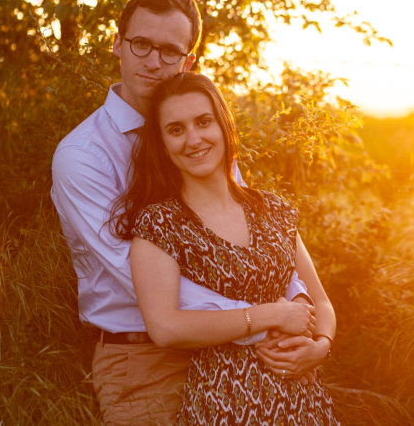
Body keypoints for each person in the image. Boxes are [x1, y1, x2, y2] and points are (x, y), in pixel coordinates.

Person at [51, 0, 327, 425]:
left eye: (170, 50)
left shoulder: (202, 140)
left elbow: (251, 239)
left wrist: (306, 322)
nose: (153, 61)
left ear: (188, 61)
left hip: (235, 351)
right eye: (141, 44)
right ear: (118, 43)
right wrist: (261, 319)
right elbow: (133, 276)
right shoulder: (82, 156)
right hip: (145, 358)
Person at [112, 71, 338, 425]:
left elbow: (321, 301)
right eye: (176, 129)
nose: (194, 139)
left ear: (223, 125)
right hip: (225, 400)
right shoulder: (159, 224)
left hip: (302, 399)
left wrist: (319, 347)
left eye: (203, 122)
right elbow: (165, 327)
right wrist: (273, 315)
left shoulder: (272, 208)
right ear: (162, 143)